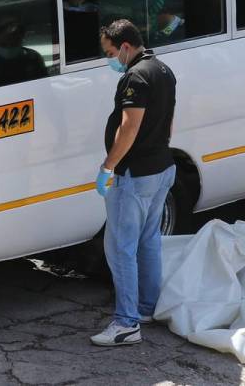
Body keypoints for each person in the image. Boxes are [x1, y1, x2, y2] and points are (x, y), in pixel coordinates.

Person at [92, 19, 177, 347]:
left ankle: (126, 323)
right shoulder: (163, 70)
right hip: (162, 168)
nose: (110, 59)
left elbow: (129, 127)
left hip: (135, 174)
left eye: (111, 52)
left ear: (125, 46)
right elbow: (168, 123)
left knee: (120, 248)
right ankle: (146, 308)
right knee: (148, 240)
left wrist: (108, 166)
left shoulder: (136, 77)